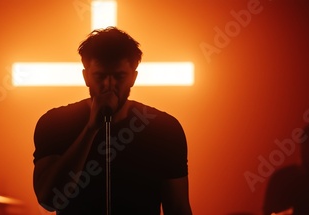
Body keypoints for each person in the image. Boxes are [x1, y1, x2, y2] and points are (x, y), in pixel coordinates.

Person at [32, 27, 192, 215]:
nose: (109, 85)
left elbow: (178, 208)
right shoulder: (55, 123)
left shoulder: (164, 129)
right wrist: (91, 129)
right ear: (86, 77)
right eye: (100, 76)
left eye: (119, 76)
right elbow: (49, 200)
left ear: (133, 77)